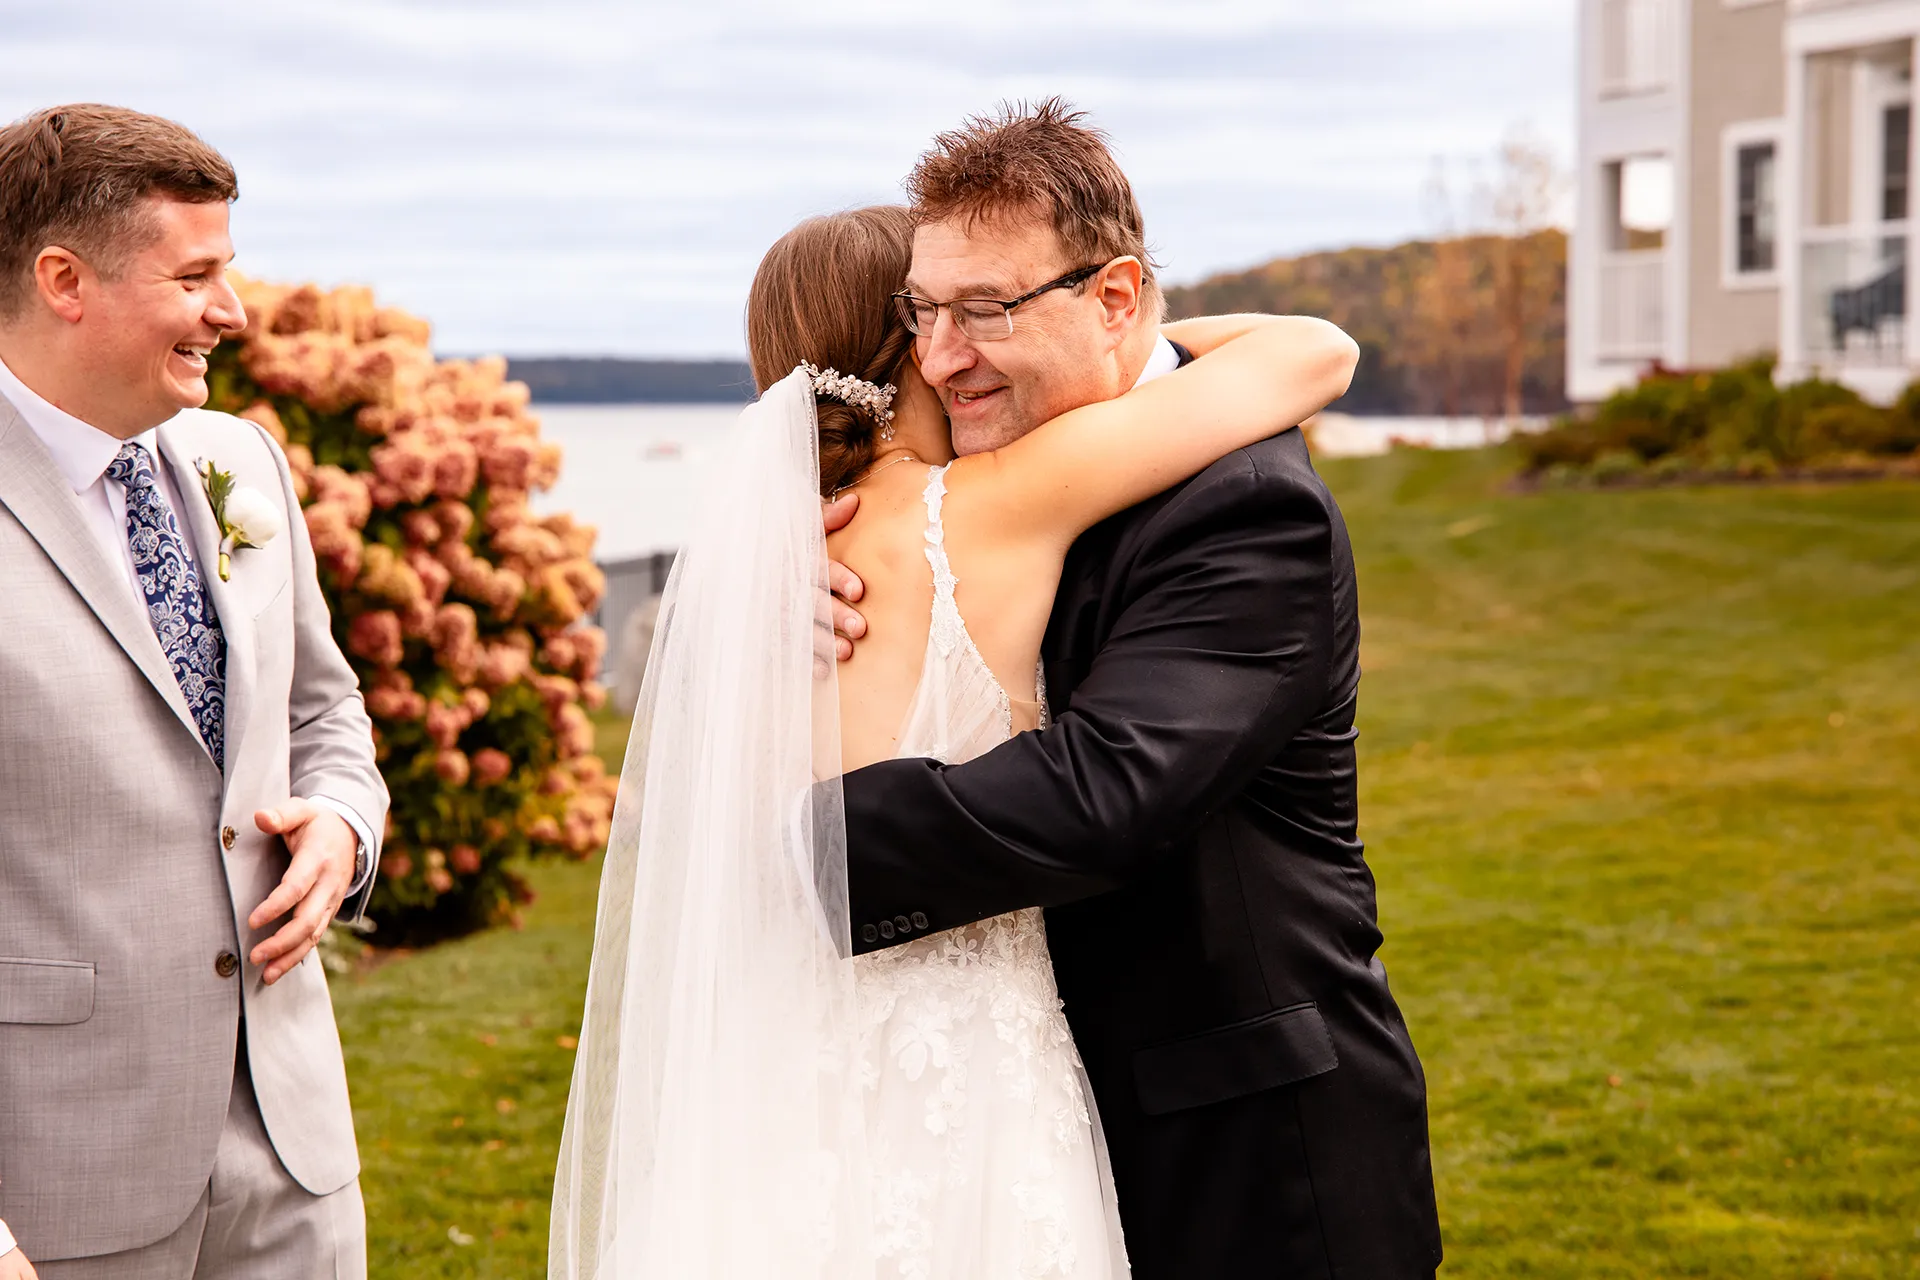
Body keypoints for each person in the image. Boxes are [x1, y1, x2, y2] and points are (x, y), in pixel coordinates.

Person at [550, 196, 1356, 1277]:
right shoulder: (997, 501)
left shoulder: (748, 577)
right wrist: (1116, 325)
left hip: (775, 1072)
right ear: (915, 346)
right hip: (974, 1065)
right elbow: (1309, 352)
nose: (957, 343)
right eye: (934, 313)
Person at [826, 101, 1446, 1278]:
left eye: (986, 310)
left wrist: (784, 848)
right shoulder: (989, 469)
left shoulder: (1249, 507)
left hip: (1244, 1155)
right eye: (923, 310)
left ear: (1115, 299)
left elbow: (1101, 792)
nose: (938, 355)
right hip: (1022, 1126)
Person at [0, 105, 384, 1280]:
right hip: (55, 1185)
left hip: (293, 1156)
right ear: (65, 278)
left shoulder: (242, 460)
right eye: (199, 275)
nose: (233, 311)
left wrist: (342, 824)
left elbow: (325, 709)